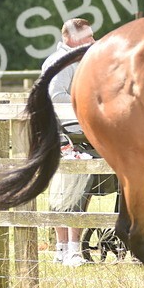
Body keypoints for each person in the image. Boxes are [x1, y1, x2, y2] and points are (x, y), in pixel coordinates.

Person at [42, 19, 96, 267]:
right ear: (72, 39)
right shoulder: (64, 62)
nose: (93, 42)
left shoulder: (66, 60)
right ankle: (72, 250)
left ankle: (62, 248)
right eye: (88, 37)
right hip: (69, 134)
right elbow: (56, 97)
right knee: (74, 189)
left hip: (61, 132)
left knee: (62, 192)